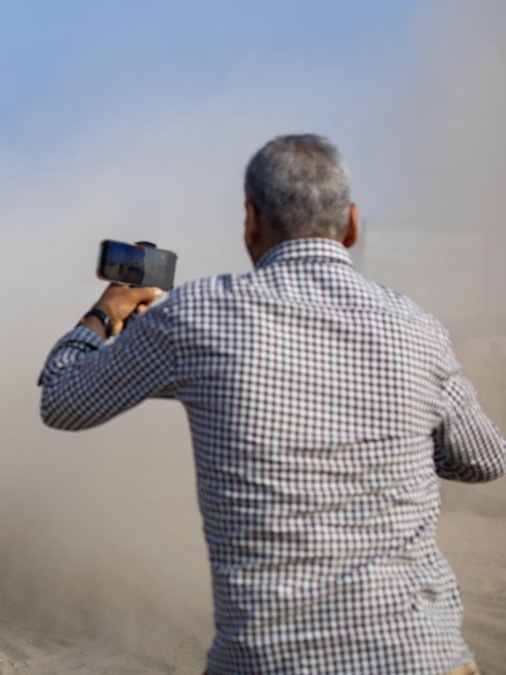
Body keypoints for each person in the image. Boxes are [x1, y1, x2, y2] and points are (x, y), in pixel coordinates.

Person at [38, 134, 505, 674]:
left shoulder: (194, 317)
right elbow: (486, 460)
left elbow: (62, 399)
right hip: (423, 656)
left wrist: (106, 313)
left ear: (250, 221)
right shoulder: (420, 329)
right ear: (352, 225)